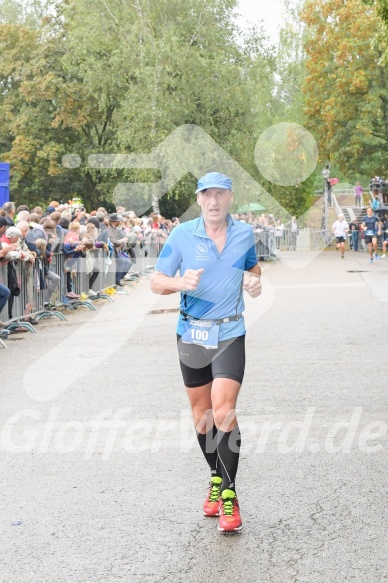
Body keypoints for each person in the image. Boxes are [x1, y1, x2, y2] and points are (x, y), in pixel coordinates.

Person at [150, 172, 262, 533]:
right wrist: (179, 283)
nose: (213, 201)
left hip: (230, 330)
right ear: (198, 199)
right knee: (202, 416)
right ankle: (216, 477)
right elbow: (156, 281)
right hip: (192, 333)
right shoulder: (182, 234)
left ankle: (229, 495)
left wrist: (255, 280)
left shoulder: (244, 234)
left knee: (224, 411)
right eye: (206, 195)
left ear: (231, 197)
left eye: (220, 194)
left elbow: (253, 267)